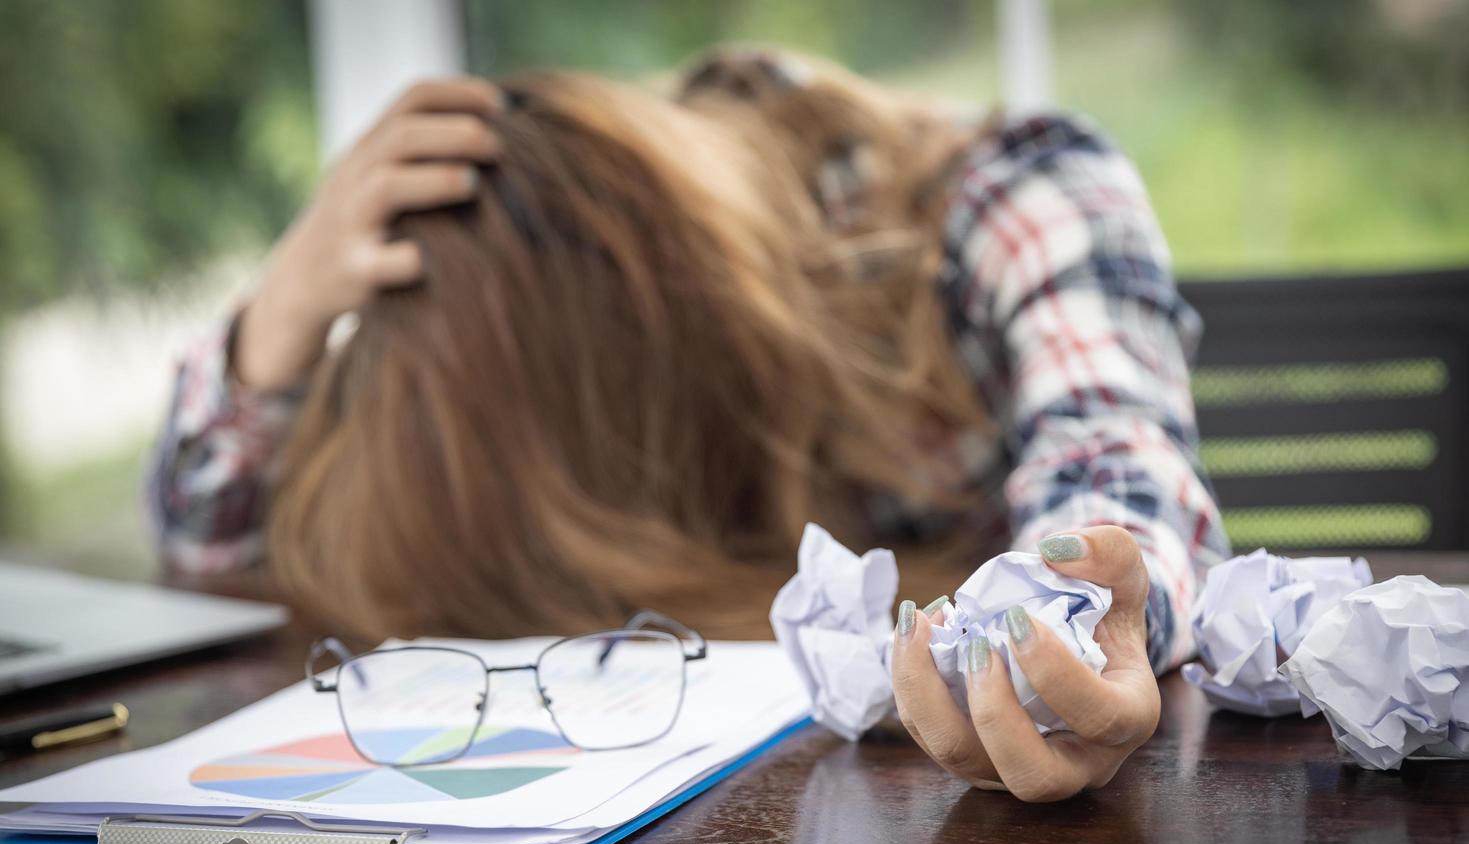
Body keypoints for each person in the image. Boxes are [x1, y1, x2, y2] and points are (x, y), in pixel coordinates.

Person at [148, 47, 1228, 801]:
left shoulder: (1015, 195)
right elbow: (214, 559)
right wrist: (275, 326)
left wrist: (1077, 629)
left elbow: (1115, 467)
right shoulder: (500, 315)